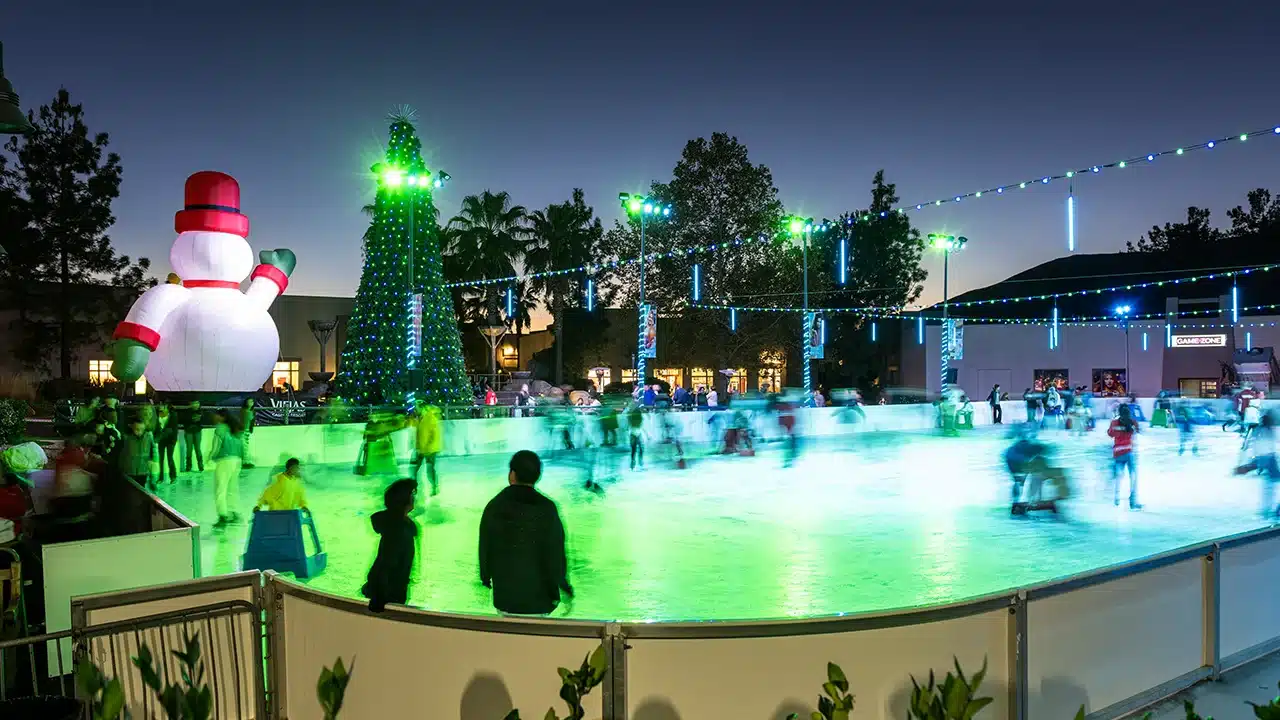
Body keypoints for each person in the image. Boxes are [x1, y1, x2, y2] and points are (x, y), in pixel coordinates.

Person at [478, 451, 572, 616]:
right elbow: (555, 551)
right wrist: (563, 585)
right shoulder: (547, 508)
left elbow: (485, 545)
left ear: (512, 474)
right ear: (538, 475)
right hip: (540, 599)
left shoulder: (495, 505)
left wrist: (485, 577)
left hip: (505, 598)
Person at [363, 478, 419, 613]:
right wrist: (380, 599)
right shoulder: (399, 530)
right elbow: (386, 564)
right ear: (404, 499)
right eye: (413, 494)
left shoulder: (401, 524)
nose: (415, 498)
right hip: (390, 597)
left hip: (392, 592)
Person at [211, 412, 245, 527]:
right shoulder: (235, 428)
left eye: (216, 415)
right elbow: (242, 445)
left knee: (220, 488)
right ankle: (233, 511)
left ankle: (223, 515)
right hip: (237, 460)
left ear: (222, 417)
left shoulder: (220, 428)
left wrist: (212, 456)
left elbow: (216, 445)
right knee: (232, 488)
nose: (214, 417)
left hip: (224, 460)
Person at [1108, 403, 1142, 510]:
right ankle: (1132, 500)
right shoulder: (1133, 422)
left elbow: (1110, 434)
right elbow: (1138, 431)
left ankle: (1117, 498)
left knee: (1119, 475)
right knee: (1133, 476)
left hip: (1118, 453)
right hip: (1129, 452)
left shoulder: (1114, 422)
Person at [116, 416, 157, 490]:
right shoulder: (126, 438)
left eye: (142, 429)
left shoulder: (148, 437)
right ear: (132, 427)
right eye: (137, 429)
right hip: (129, 472)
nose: (139, 432)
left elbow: (153, 455)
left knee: (141, 492)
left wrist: (152, 477)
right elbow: (120, 455)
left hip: (143, 472)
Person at [412, 405, 443, 496]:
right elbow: (419, 435)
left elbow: (435, 436)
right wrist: (417, 448)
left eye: (416, 408)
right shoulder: (420, 418)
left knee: (429, 470)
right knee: (415, 469)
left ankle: (434, 487)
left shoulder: (431, 418)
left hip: (430, 450)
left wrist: (428, 449)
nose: (415, 409)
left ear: (422, 408)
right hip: (421, 449)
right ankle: (414, 488)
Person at [154, 403, 180, 484]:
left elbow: (174, 430)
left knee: (170, 458)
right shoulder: (156, 416)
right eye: (160, 407)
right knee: (161, 459)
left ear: (167, 409)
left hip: (170, 441)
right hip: (161, 440)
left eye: (163, 407)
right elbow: (155, 428)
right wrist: (156, 437)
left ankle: (173, 476)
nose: (160, 408)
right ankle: (161, 478)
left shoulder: (172, 416)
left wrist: (174, 440)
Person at [180, 400, 204, 474]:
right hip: (188, 431)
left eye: (197, 403)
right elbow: (184, 420)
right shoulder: (187, 412)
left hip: (197, 431)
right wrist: (192, 419)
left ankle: (201, 466)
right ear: (190, 404)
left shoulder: (201, 411)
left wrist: (198, 419)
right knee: (189, 449)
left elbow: (203, 421)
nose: (195, 405)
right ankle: (188, 467)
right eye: (194, 403)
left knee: (198, 449)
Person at [241, 397, 257, 469]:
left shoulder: (252, 411)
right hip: (243, 431)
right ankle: (244, 462)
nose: (251, 403)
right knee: (244, 447)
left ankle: (245, 462)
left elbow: (252, 422)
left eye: (252, 401)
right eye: (249, 401)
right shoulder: (243, 411)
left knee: (246, 447)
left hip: (247, 431)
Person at [628, 402, 645, 470]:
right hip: (636, 434)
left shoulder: (632, 418)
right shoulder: (636, 419)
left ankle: (634, 462)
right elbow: (641, 427)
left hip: (634, 434)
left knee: (634, 449)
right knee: (639, 449)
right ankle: (638, 461)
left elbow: (640, 427)